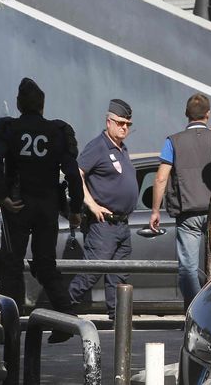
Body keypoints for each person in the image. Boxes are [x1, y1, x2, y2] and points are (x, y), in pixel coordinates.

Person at [0, 78, 84, 333]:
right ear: (42, 105)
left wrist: (2, 195)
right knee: (45, 264)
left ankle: (11, 323)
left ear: (18, 104)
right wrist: (75, 209)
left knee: (11, 265)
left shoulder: (8, 129)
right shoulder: (57, 131)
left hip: (17, 206)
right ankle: (67, 318)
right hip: (47, 207)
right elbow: (73, 174)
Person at [68, 99, 138, 323]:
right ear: (109, 122)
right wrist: (90, 203)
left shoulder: (122, 148)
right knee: (91, 273)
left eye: (127, 124)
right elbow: (76, 173)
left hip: (122, 224)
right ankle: (62, 311)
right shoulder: (98, 146)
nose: (124, 127)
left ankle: (118, 321)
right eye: (120, 123)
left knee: (118, 277)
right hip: (103, 225)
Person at [150, 93, 211, 311]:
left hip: (188, 213)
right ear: (208, 114)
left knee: (188, 268)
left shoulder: (173, 141)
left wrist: (155, 211)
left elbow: (160, 178)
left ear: (186, 114)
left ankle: (195, 310)